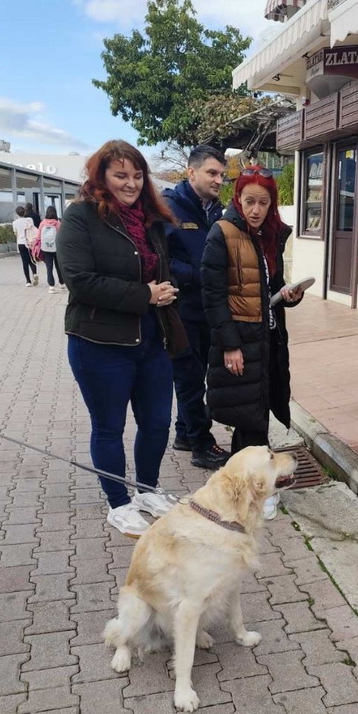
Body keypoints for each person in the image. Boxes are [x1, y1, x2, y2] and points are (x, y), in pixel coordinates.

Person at [57, 139, 189, 538]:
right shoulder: (80, 216)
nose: (130, 184)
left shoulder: (151, 219)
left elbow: (163, 266)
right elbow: (78, 281)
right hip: (99, 343)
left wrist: (167, 287)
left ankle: (147, 490)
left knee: (156, 423)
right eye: (120, 176)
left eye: (136, 175)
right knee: (109, 428)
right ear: (101, 177)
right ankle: (119, 503)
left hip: (152, 339)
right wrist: (144, 294)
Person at [201, 166, 303, 519]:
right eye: (249, 201)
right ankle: (258, 492)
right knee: (252, 420)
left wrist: (288, 294)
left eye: (263, 202)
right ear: (238, 200)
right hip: (240, 340)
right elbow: (212, 296)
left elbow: (272, 286)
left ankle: (245, 490)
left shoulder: (270, 235)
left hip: (268, 337)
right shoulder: (223, 234)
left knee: (255, 414)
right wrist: (230, 344)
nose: (256, 209)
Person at [162, 145, 230, 470]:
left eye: (222, 175)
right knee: (189, 378)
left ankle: (183, 434)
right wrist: (198, 276)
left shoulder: (216, 210)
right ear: (191, 172)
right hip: (181, 310)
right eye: (212, 173)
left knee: (197, 374)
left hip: (207, 309)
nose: (219, 180)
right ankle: (203, 446)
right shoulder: (168, 209)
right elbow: (160, 260)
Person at [35, 206, 65, 293]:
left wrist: (36, 245)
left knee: (49, 267)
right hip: (56, 247)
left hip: (45, 248)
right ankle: (62, 283)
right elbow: (61, 235)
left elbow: (38, 236)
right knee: (58, 266)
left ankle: (51, 286)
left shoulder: (42, 223)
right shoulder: (57, 223)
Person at [12, 206, 38, 286]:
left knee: (25, 262)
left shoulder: (14, 223)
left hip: (21, 243)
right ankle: (34, 274)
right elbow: (32, 230)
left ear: (17, 213)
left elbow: (15, 233)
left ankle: (28, 281)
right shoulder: (29, 220)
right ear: (25, 212)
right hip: (30, 243)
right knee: (32, 260)